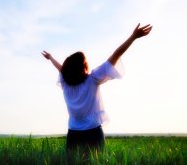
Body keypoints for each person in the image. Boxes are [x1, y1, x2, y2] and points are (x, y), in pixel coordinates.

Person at [42, 23, 152, 156]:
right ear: (83, 66)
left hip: (73, 133)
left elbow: (61, 69)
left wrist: (51, 58)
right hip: (93, 132)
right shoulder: (92, 80)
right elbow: (115, 56)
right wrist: (133, 37)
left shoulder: (66, 82)